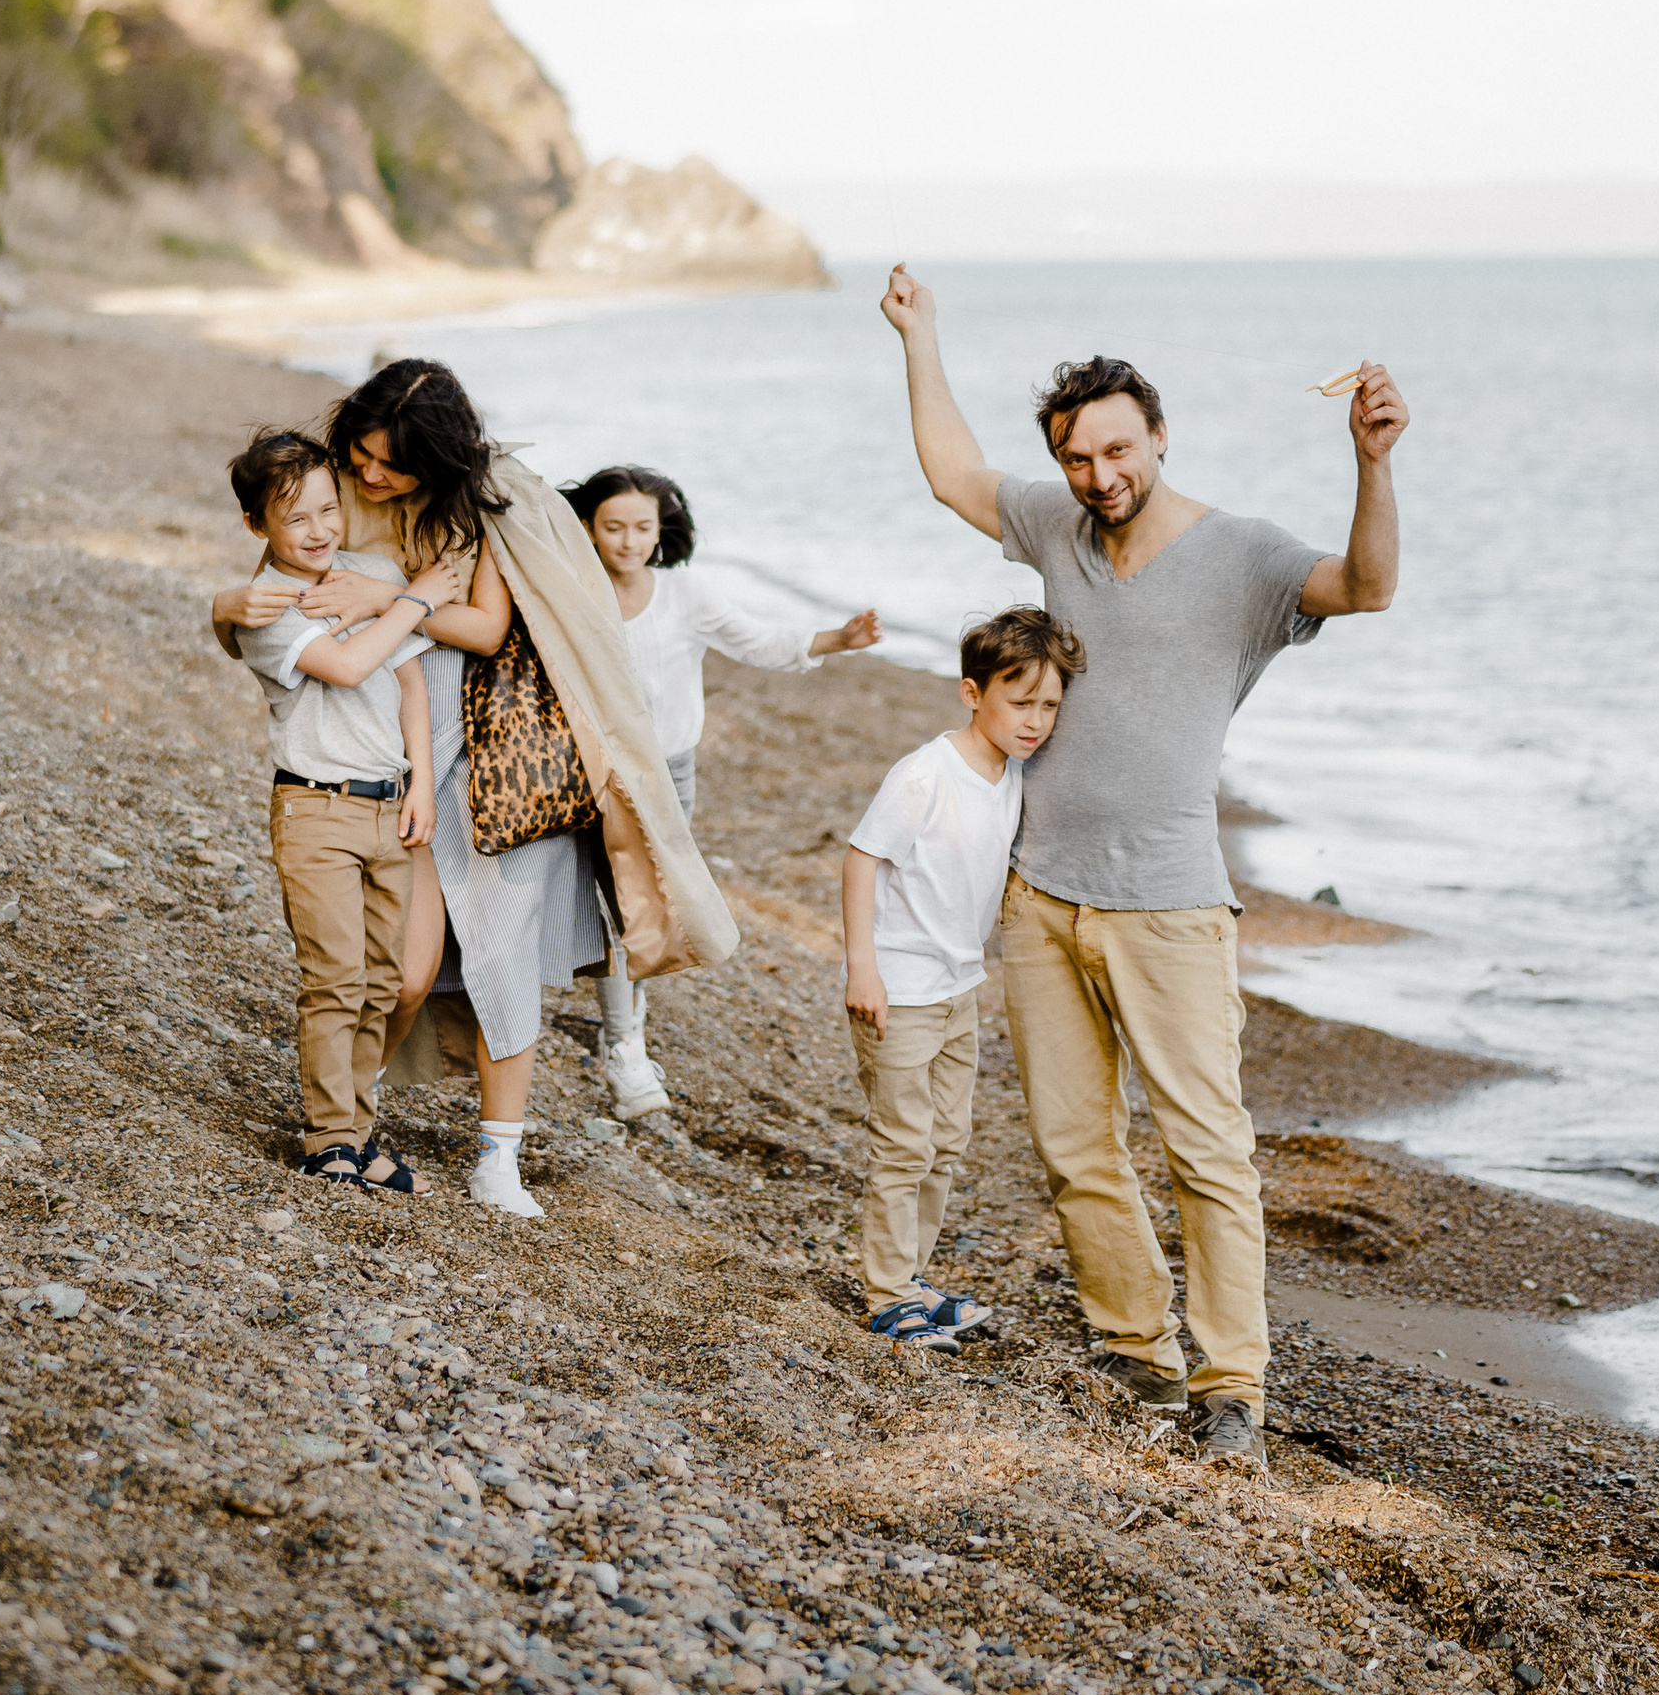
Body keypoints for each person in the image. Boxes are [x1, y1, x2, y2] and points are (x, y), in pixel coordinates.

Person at [880, 267, 1409, 1469]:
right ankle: (1134, 1348)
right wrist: (921, 338)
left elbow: (1370, 586)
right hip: (1040, 896)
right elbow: (954, 474)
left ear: (1159, 438)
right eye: (1078, 460)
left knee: (1206, 1150)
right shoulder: (1058, 531)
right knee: (1075, 1148)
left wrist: (1372, 459)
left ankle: (1231, 1386)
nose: (1100, 478)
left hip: (1170, 904)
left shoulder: (1248, 561)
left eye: (1119, 452)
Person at [280, 359, 734, 1221]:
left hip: (501, 761)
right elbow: (289, 571)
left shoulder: (492, 504)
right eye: (364, 455)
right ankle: (347, 1111)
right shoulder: (342, 492)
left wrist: (390, 595)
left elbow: (489, 629)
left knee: (504, 961)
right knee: (405, 971)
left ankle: (500, 1159)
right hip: (403, 755)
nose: (372, 474)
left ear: (439, 457)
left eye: (392, 462)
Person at [563, 461, 880, 1116]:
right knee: (624, 908)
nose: (627, 540)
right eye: (613, 526)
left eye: (641, 527)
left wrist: (840, 640)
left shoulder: (685, 594)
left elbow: (758, 641)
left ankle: (627, 1040)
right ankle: (624, 1051)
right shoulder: (574, 593)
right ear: (589, 529)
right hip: (597, 772)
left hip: (672, 775)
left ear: (662, 530)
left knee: (647, 912)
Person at [843, 605, 1082, 1353]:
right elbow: (861, 859)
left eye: (1049, 705)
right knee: (903, 1144)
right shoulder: (924, 774)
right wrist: (862, 968)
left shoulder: (1011, 772)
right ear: (972, 693)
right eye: (1021, 702)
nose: (1036, 720)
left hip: (957, 990)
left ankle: (910, 1280)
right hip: (900, 990)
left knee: (946, 1142)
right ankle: (886, 1295)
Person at [208, 425, 438, 1193]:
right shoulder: (265, 605)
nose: (317, 531)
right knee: (334, 978)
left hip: (388, 806)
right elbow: (345, 666)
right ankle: (328, 1138)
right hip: (315, 811)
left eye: (327, 511)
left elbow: (411, 687)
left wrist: (425, 785)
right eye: (295, 517)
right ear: (257, 526)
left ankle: (360, 1129)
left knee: (381, 982)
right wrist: (415, 602)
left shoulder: (369, 572)